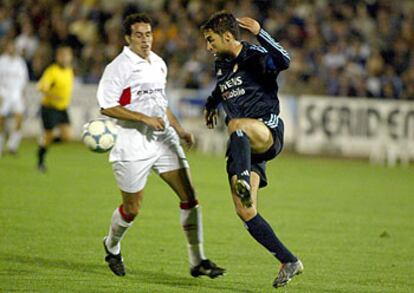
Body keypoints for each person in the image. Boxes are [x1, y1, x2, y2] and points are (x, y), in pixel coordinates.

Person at [97, 13, 225, 278]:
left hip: (163, 139)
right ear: (127, 38)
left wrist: (179, 130)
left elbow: (161, 102)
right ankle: (112, 245)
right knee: (132, 210)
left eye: (149, 34)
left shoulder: (158, 63)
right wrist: (143, 118)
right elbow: (107, 106)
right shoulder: (119, 67)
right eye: (139, 35)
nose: (145, 40)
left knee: (190, 197)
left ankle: (197, 260)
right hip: (132, 144)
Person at [201, 11, 303, 288]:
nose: (208, 46)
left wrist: (260, 32)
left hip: (265, 131)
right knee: (246, 212)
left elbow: (285, 60)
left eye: (211, 40)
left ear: (228, 36)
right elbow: (222, 90)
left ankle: (244, 179)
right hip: (242, 146)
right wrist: (211, 104)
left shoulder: (255, 56)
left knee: (237, 125)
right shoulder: (221, 64)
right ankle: (289, 260)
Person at [36, 45, 74, 172]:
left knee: (67, 137)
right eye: (62, 56)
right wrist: (52, 95)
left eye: (67, 56)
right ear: (57, 57)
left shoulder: (69, 70)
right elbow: (41, 87)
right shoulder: (52, 71)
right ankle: (41, 161)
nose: (64, 58)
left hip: (62, 109)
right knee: (49, 135)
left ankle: (43, 143)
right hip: (49, 108)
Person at [0, 39, 29, 156]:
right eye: (10, 47)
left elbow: (24, 80)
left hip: (17, 95)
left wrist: (23, 94)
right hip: (4, 94)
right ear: (6, 48)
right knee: (1, 121)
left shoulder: (20, 62)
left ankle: (12, 145)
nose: (12, 49)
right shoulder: (1, 61)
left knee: (19, 119)